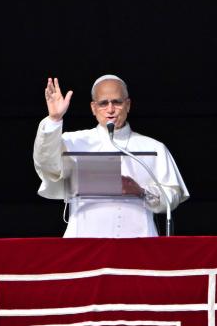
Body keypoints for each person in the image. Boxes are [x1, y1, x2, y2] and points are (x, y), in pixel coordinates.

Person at [33, 74, 189, 237]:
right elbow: (46, 164)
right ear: (93, 108)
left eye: (117, 102)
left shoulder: (154, 148)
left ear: (128, 105)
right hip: (84, 241)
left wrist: (141, 191)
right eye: (103, 103)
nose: (110, 109)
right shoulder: (73, 142)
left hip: (139, 241)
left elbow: (173, 196)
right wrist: (54, 120)